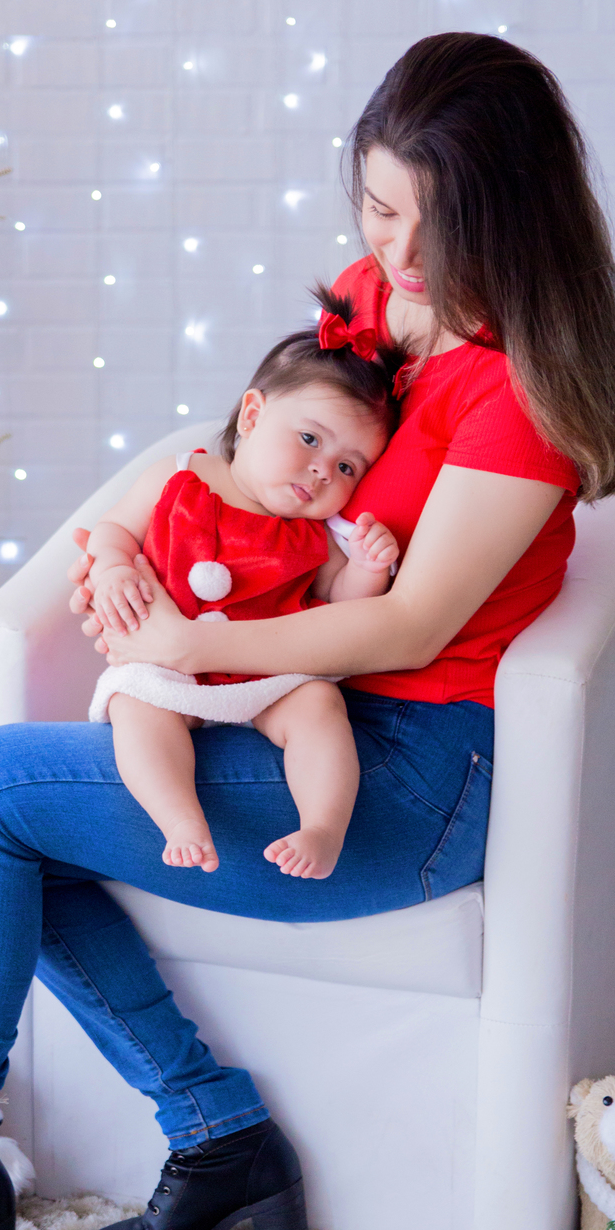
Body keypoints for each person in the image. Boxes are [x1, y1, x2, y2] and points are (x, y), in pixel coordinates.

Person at [0, 33, 615, 1230]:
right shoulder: (387, 305)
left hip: (407, 779)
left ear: (506, 219)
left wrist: (200, 643)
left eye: (432, 229)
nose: (397, 259)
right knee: (20, 832)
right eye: (378, 208)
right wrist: (121, 542)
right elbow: (243, 437)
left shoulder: (515, 397)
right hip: (294, 710)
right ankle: (214, 1137)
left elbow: (408, 629)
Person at [86, 304, 401, 880]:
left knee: (320, 707)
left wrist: (369, 566)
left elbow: (342, 606)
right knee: (135, 707)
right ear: (252, 415)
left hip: (266, 679)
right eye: (309, 438)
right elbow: (112, 529)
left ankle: (322, 827)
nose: (321, 472)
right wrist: (110, 569)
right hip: (167, 670)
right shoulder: (180, 475)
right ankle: (180, 820)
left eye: (349, 467)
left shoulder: (317, 534)